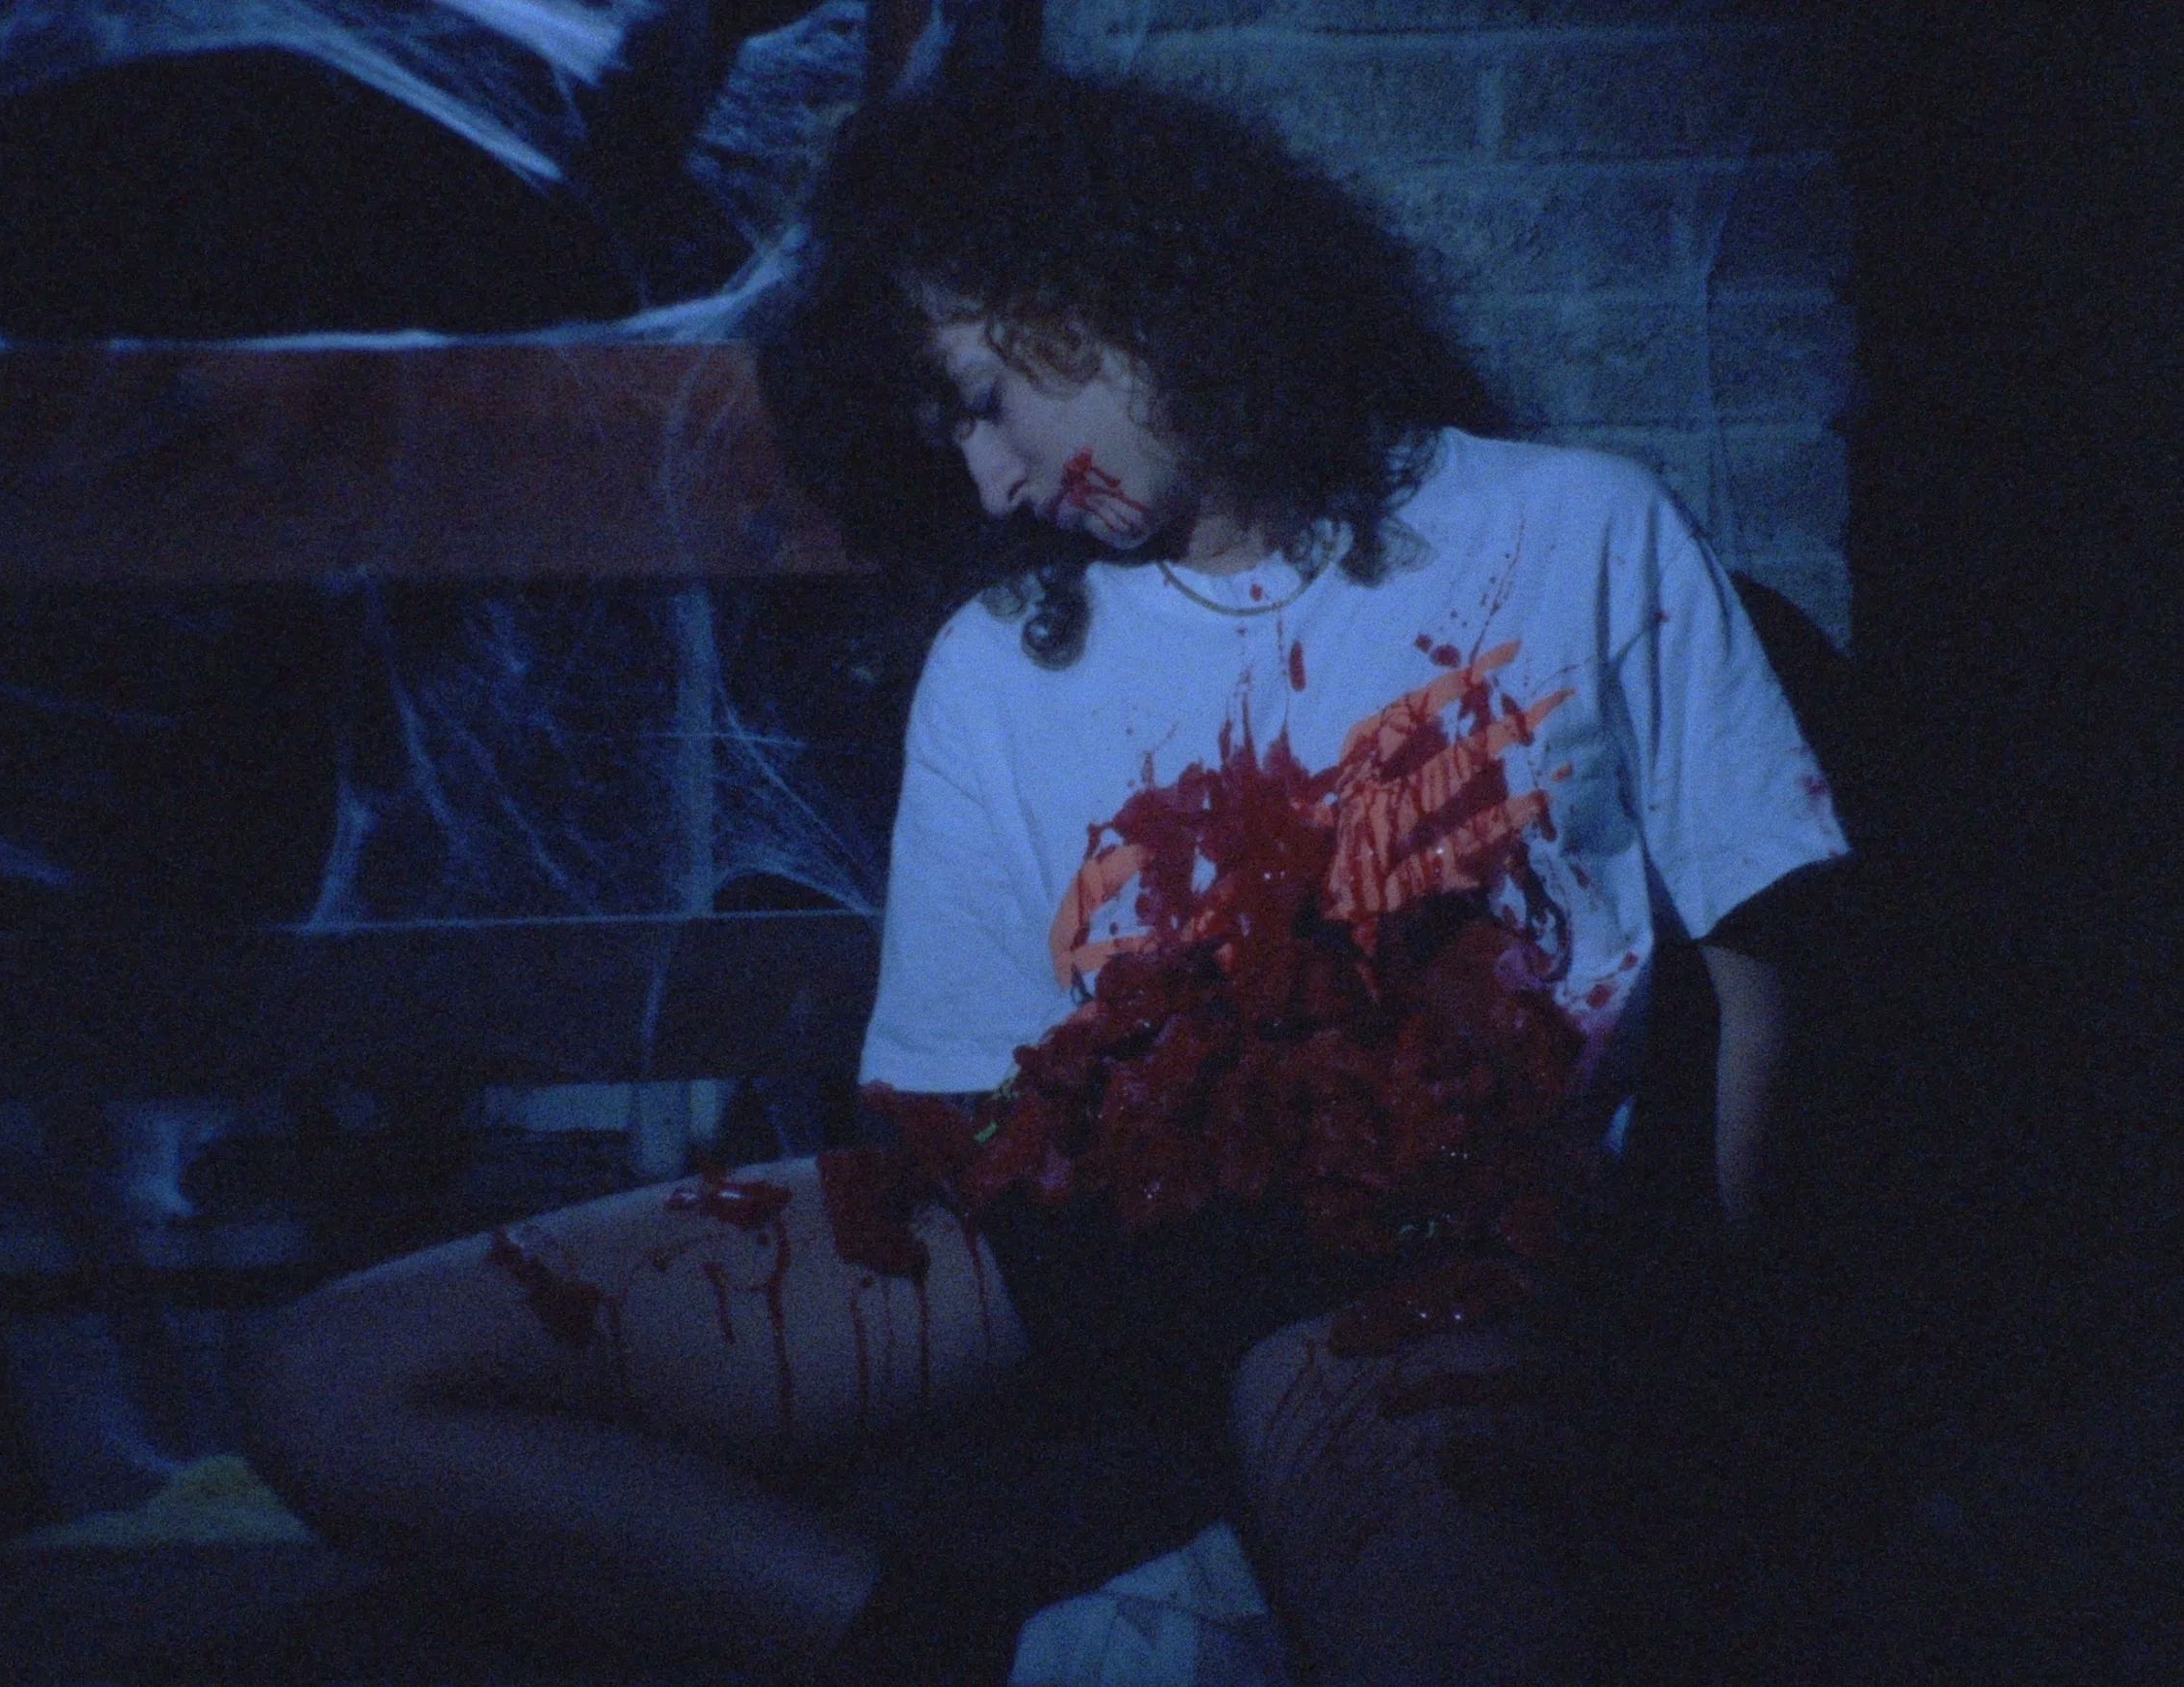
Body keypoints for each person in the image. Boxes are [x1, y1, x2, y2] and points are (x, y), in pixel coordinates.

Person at [237, 70, 1848, 1685]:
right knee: (337, 1378)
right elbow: (962, 1122)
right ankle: (985, 1655)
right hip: (1054, 1251)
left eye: (985, 396)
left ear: (1104, 276)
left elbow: (1773, 947)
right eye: (949, 437)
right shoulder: (1002, 661)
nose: (993, 483)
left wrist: (1708, 1324)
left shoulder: (1579, 534)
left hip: (1412, 1266)